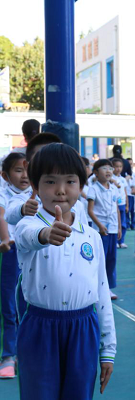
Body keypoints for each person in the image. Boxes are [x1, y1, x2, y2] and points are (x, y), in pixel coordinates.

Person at [15, 143, 116, 399]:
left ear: (81, 186)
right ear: (35, 186)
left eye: (70, 181)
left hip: (84, 327)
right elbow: (27, 236)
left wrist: (108, 350)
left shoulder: (91, 236)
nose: (60, 190)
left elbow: (102, 292)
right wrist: (46, 234)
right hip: (40, 327)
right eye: (50, 182)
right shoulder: (27, 225)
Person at [0, 152, 30, 379]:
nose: (25, 175)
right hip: (10, 251)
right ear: (5, 175)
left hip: (33, 251)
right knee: (9, 304)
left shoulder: (36, 193)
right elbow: (1, 215)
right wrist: (5, 239)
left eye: (28, 170)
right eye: (18, 170)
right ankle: (9, 355)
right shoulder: (3, 193)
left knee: (30, 303)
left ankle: (27, 352)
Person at [87, 159, 121, 301]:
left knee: (111, 259)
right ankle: (97, 287)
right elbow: (90, 210)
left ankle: (108, 288)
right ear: (95, 172)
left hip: (112, 228)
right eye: (104, 168)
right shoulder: (93, 189)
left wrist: (119, 227)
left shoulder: (114, 188)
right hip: (100, 230)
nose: (108, 171)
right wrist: (100, 225)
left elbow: (116, 209)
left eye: (110, 169)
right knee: (101, 259)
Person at [111, 158, 129, 249]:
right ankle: (115, 241)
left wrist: (127, 205)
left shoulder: (123, 179)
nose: (118, 169)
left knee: (123, 224)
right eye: (116, 166)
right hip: (114, 204)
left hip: (122, 204)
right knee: (116, 223)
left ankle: (121, 241)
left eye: (120, 167)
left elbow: (125, 192)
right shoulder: (110, 179)